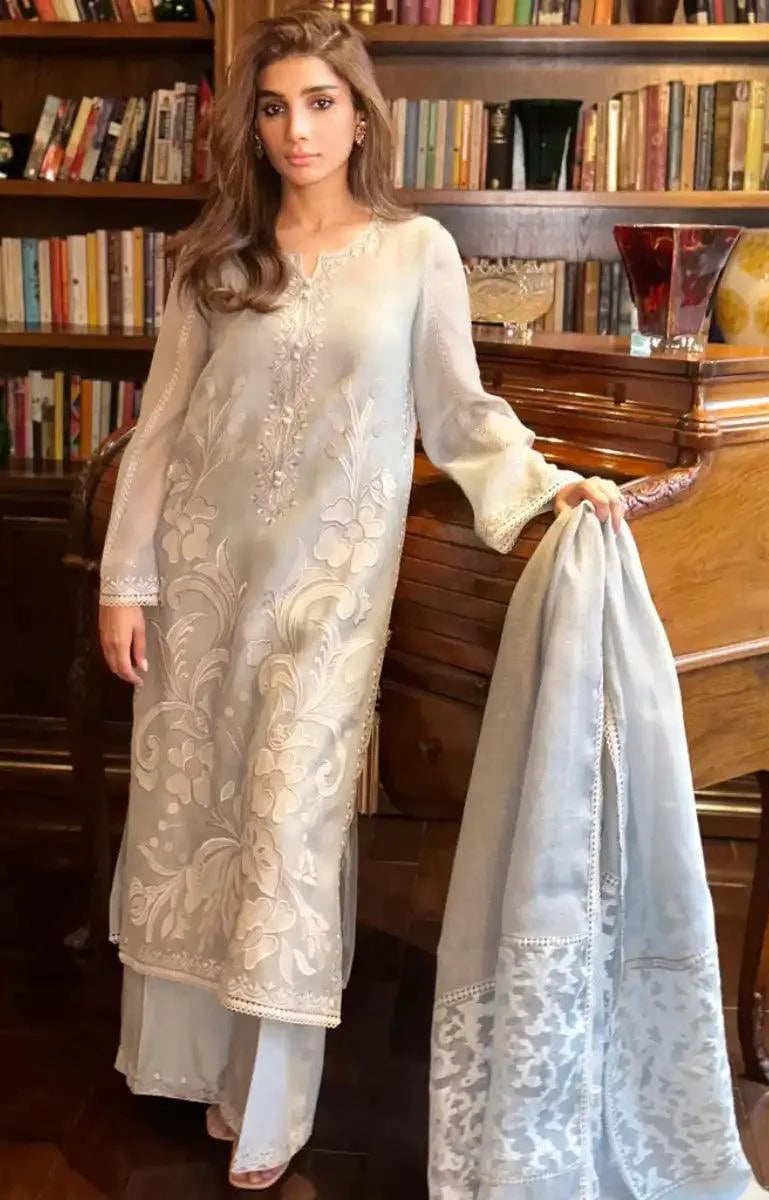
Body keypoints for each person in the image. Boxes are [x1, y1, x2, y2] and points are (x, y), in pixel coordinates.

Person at [97, 6, 624, 1190]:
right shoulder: (214, 259)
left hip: (329, 595)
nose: (298, 129)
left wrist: (548, 487)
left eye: (320, 103)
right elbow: (161, 432)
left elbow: (457, 410)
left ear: (359, 117)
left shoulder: (413, 250)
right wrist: (126, 585)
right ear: (251, 126)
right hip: (200, 586)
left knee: (287, 827)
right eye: (275, 108)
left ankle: (269, 1107)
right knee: (195, 821)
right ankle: (197, 1068)